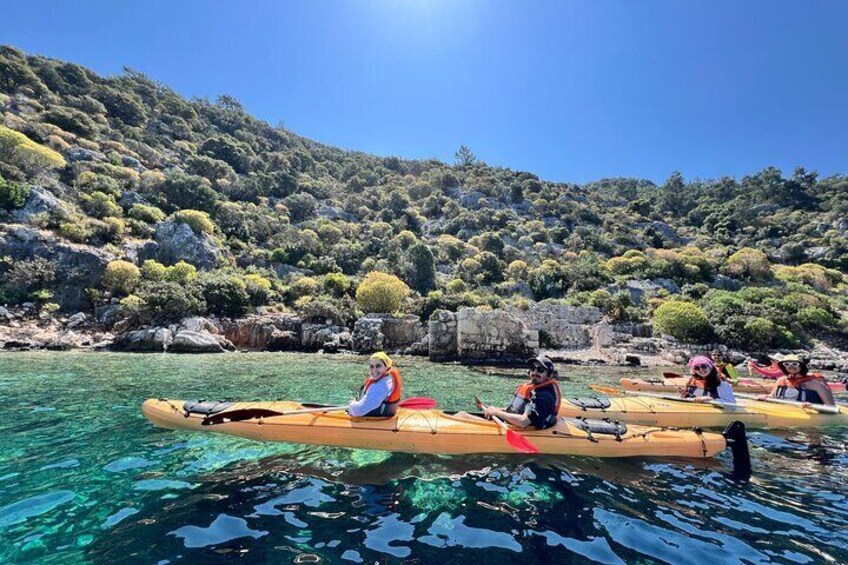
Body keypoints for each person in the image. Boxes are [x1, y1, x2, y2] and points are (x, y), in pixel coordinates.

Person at [478, 355, 562, 429]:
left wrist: (496, 412)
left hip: (530, 431)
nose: (535, 372)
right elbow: (515, 410)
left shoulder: (545, 396)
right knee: (464, 415)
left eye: (540, 369)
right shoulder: (534, 390)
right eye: (533, 368)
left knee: (465, 416)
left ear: (549, 375)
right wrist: (497, 410)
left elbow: (523, 422)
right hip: (513, 424)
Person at [759, 354, 835, 406]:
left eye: (795, 364)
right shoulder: (781, 381)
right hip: (787, 412)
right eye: (787, 364)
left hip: (811, 415)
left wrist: (814, 407)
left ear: (801, 366)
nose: (790, 366)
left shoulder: (815, 384)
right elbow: (772, 396)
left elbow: (831, 406)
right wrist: (765, 397)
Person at [348, 352, 403, 417]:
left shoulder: (382, 386)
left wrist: (352, 404)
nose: (374, 370)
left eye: (378, 366)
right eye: (372, 366)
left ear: (386, 366)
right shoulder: (388, 379)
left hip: (377, 422)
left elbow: (359, 411)